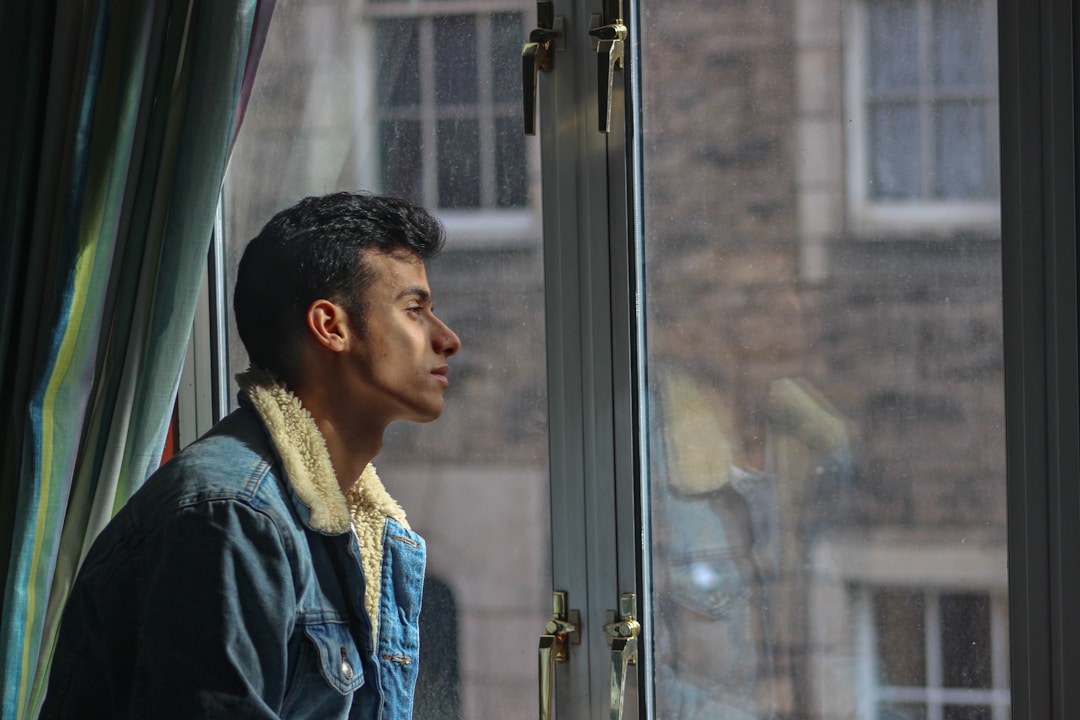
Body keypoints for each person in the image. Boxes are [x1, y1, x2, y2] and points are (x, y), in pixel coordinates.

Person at [40, 191, 462, 720]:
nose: (448, 339)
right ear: (332, 326)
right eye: (415, 310)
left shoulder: (362, 528)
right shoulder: (230, 514)